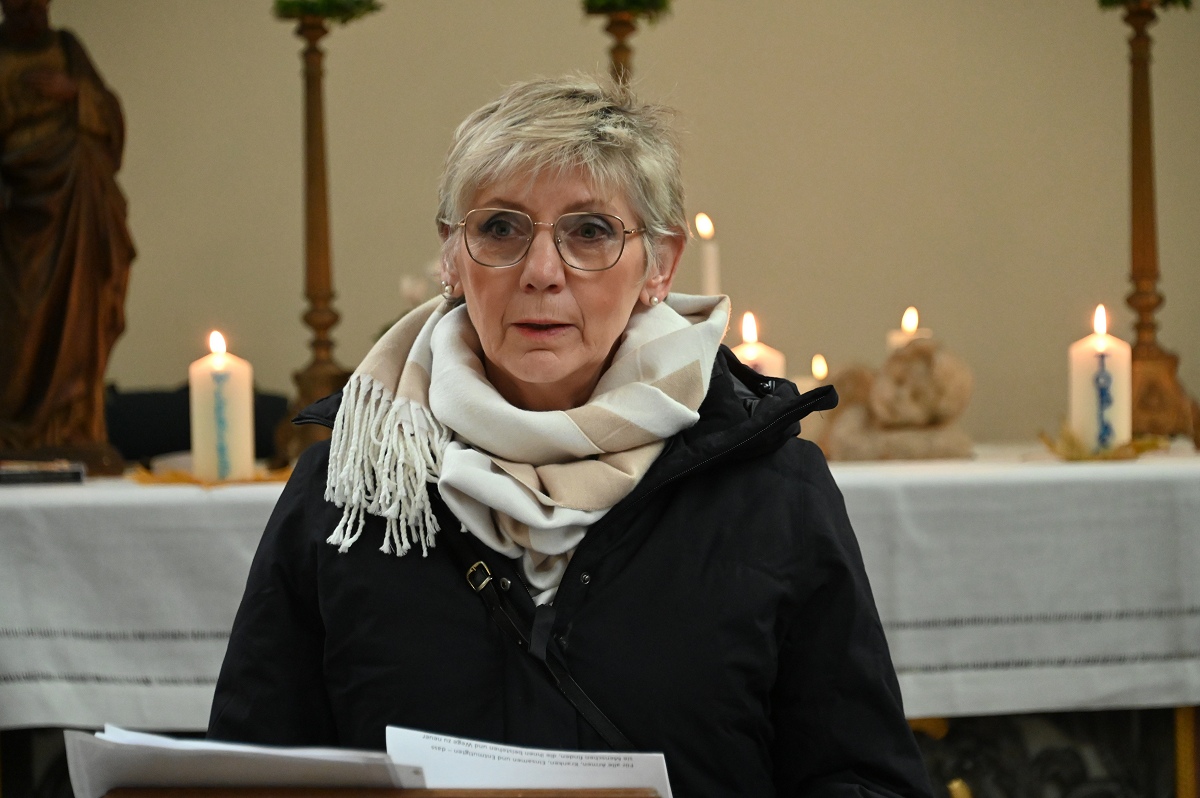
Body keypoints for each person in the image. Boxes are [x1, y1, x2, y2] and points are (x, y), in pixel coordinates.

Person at [209, 75, 932, 798]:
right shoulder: (350, 486)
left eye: (590, 231)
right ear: (452, 256)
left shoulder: (773, 494)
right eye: (501, 228)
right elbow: (252, 773)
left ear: (660, 264)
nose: (542, 273)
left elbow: (864, 780)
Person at [0, 0, 134, 465]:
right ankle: (15, 423)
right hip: (19, 208)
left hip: (79, 197)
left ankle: (71, 423)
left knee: (81, 312)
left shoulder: (66, 46)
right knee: (21, 317)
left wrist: (74, 92)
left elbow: (109, 112)